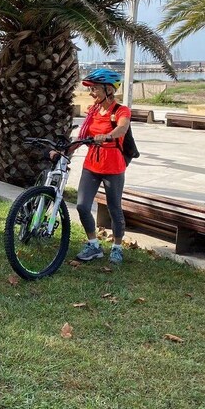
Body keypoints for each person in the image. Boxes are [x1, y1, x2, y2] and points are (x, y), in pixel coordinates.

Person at [71, 68, 131, 265]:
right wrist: (65, 151)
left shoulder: (121, 110)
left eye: (95, 88)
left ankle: (117, 247)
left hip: (113, 167)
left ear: (109, 90)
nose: (91, 93)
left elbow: (122, 127)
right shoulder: (93, 111)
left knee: (114, 208)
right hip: (92, 165)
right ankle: (93, 245)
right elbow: (83, 136)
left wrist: (108, 135)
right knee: (82, 206)